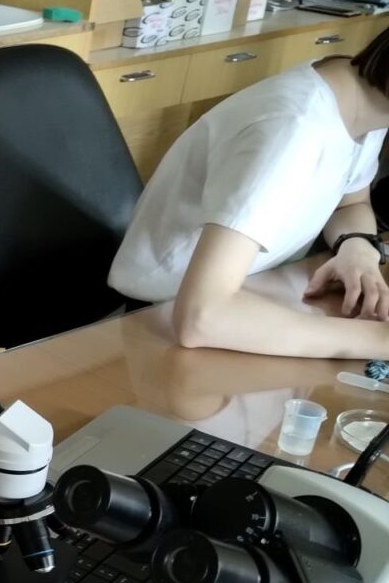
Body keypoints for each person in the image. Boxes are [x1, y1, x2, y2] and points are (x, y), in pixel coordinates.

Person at [108, 26, 389, 359]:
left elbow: (350, 202)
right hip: (164, 313)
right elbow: (202, 318)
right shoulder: (292, 131)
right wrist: (378, 340)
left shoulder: (366, 100)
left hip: (254, 288)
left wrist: (356, 246)